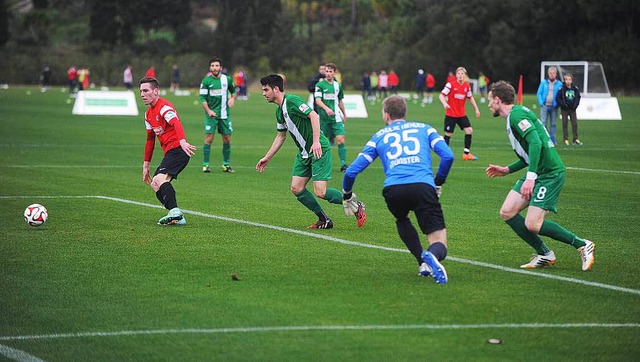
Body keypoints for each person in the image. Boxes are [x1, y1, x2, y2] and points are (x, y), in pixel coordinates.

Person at [343, 95, 454, 284]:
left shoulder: (379, 136)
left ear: (386, 115)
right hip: (422, 186)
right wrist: (438, 182)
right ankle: (431, 256)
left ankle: (423, 263)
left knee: (402, 219)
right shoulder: (425, 129)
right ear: (405, 112)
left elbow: (352, 171)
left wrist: (347, 195)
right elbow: (448, 156)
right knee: (439, 242)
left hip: (393, 190)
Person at [485, 80, 595, 271]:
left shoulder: (516, 115)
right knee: (507, 211)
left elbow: (536, 143)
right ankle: (544, 254)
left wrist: (530, 177)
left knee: (533, 224)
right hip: (538, 172)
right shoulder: (516, 115)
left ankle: (582, 244)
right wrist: (507, 169)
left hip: (550, 173)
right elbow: (530, 153)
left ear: (497, 99)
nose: (488, 105)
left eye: (489, 101)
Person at [257, 74, 352, 229]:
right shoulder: (279, 111)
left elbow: (314, 116)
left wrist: (315, 142)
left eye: (266, 90)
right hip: (304, 153)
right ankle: (324, 220)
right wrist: (267, 157)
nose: (263, 93)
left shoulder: (292, 101)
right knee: (297, 188)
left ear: (276, 89)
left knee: (320, 192)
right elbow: (281, 136)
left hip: (318, 148)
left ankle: (353, 202)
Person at [139, 76, 197, 226]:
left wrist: (182, 141)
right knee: (155, 184)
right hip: (171, 152)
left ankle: (175, 212)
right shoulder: (147, 114)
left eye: (146, 91)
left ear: (156, 91)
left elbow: (176, 122)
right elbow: (150, 140)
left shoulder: (164, 107)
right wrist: (146, 165)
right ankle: (177, 216)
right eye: (141, 91)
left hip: (178, 149)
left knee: (159, 180)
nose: (142, 94)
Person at [199, 57, 237, 173]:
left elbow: (234, 91)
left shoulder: (227, 79)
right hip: (211, 115)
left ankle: (226, 165)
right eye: (212, 66)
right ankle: (205, 165)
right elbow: (202, 98)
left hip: (225, 115)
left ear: (220, 67)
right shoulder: (206, 81)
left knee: (227, 139)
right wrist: (209, 111)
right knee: (209, 139)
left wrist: (232, 98)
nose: (215, 68)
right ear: (210, 68)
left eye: (217, 66)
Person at [438, 66, 481, 161]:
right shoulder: (450, 85)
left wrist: (476, 109)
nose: (460, 75)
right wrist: (445, 103)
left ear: (464, 75)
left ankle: (466, 154)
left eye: (462, 74)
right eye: (458, 73)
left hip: (461, 114)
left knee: (469, 130)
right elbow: (441, 95)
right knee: (448, 134)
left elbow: (470, 98)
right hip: (451, 114)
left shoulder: (466, 86)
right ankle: (445, 154)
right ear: (456, 75)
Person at [314, 63, 349, 172]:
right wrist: (327, 109)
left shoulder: (337, 85)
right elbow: (318, 100)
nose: (328, 73)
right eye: (327, 71)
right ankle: (321, 163)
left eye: (330, 71)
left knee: (340, 139)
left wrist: (344, 114)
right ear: (324, 72)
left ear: (334, 72)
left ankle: (343, 164)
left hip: (336, 118)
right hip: (324, 119)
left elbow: (340, 100)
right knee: (323, 143)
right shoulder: (320, 85)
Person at [536, 66, 562, 145]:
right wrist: (541, 103)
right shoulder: (544, 83)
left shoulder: (559, 84)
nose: (552, 74)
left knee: (553, 123)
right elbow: (539, 93)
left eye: (553, 73)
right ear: (548, 74)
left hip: (554, 106)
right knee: (543, 122)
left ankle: (552, 138)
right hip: (545, 106)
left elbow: (561, 95)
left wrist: (557, 103)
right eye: (550, 73)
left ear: (556, 74)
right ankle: (544, 138)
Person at [556, 73, 583, 146]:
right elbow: (558, 98)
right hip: (564, 109)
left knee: (574, 124)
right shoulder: (562, 89)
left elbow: (578, 98)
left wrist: (575, 106)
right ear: (564, 80)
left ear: (571, 80)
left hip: (572, 109)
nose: (568, 81)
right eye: (566, 79)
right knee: (565, 124)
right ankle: (565, 139)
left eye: (569, 79)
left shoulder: (575, 89)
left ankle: (575, 139)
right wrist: (563, 105)